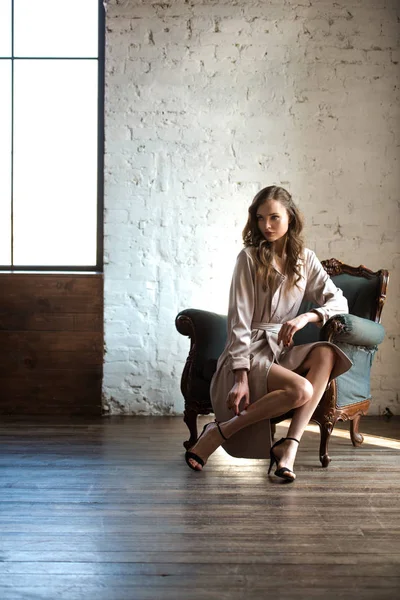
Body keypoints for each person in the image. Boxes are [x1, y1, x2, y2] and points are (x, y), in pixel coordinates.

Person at [185, 185, 352, 482]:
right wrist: (240, 377)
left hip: (283, 349)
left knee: (326, 353)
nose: (267, 226)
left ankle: (289, 447)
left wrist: (307, 317)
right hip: (250, 349)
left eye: (274, 217)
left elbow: (338, 300)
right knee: (301, 390)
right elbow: (238, 320)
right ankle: (220, 431)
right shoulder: (248, 258)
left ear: (290, 218)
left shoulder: (305, 258)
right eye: (261, 219)